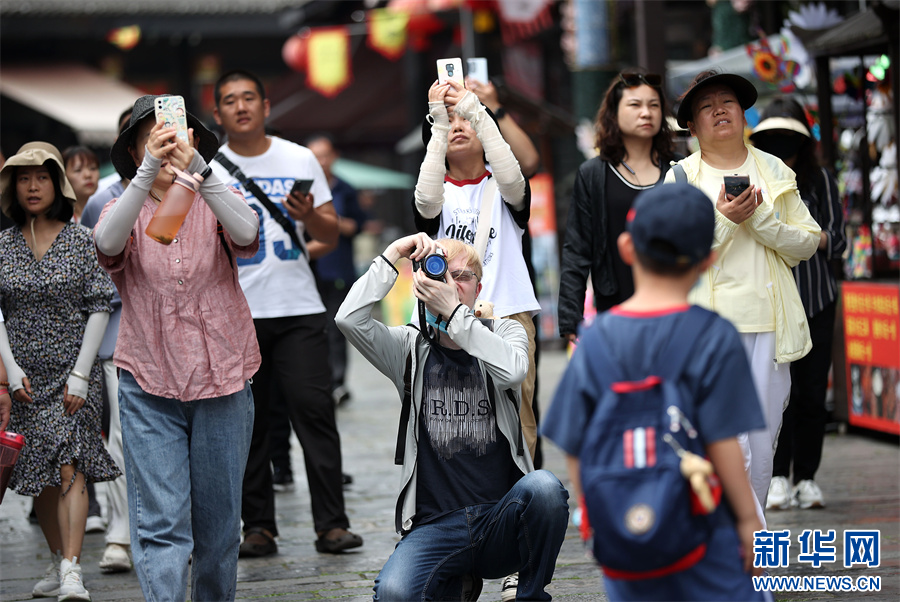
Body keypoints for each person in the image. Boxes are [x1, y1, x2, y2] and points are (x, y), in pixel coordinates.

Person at [543, 183, 770, 601]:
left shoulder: (595, 340)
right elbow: (724, 443)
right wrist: (748, 524)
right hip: (705, 534)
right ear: (707, 261)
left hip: (627, 540)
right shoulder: (715, 336)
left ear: (627, 248)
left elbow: (573, 444)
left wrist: (597, 519)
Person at [335, 234, 569, 600]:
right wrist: (394, 253)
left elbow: (512, 372)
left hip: (499, 520)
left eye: (462, 277)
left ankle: (529, 593)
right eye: (442, 274)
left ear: (478, 287)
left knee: (544, 489)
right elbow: (348, 319)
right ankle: (456, 581)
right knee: (394, 593)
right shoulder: (409, 348)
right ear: (423, 283)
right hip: (436, 525)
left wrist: (456, 314)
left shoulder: (504, 332)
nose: (452, 285)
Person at [93, 94, 260, 601]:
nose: (167, 145)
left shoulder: (215, 193)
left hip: (224, 379)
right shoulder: (123, 202)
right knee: (162, 525)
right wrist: (146, 174)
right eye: (153, 139)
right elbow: (107, 245)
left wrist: (201, 173)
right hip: (149, 382)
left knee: (219, 527)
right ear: (135, 152)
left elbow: (248, 230)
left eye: (175, 135)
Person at [209, 69, 362, 557]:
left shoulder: (298, 157)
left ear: (266, 105)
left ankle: (332, 525)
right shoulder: (208, 167)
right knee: (248, 424)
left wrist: (307, 216)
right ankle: (258, 526)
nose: (240, 106)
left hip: (298, 309)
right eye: (229, 101)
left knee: (314, 414)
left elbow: (331, 232)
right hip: (237, 313)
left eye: (249, 97)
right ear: (217, 115)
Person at [664, 70, 821, 523]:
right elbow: (675, 258)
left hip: (770, 325)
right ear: (692, 126)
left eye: (727, 101)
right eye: (707, 105)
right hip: (709, 333)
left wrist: (761, 222)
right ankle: (743, 550)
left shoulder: (774, 170)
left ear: (743, 112)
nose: (719, 110)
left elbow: (809, 243)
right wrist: (727, 219)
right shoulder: (681, 179)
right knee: (729, 444)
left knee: (762, 440)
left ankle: (749, 545)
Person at [0, 141, 119, 601]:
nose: (33, 186)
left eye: (42, 177)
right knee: (39, 473)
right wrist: (9, 371)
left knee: (69, 463)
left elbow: (100, 304)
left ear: (58, 184)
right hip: (25, 380)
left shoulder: (80, 239)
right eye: (24, 178)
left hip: (74, 375)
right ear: (13, 186)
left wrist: (82, 374)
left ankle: (72, 569)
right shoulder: (4, 245)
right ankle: (57, 560)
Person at [412, 78, 542, 468]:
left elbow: (513, 175)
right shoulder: (435, 190)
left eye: (465, 120)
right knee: (455, 419)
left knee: (520, 418)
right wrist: (439, 121)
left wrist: (477, 109)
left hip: (509, 316)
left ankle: (524, 502)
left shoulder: (504, 189)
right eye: (448, 121)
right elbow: (425, 201)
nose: (458, 125)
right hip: (447, 320)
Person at [750, 97, 847, 511]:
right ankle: (775, 477)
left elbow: (837, 239)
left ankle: (806, 477)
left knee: (810, 393)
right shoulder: (755, 177)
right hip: (771, 303)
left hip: (817, 300)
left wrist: (802, 235)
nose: (781, 140)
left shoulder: (820, 179)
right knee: (776, 393)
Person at [558, 70, 678, 341]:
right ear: (613, 113)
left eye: (654, 105)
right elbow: (577, 249)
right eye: (635, 105)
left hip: (675, 303)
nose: (646, 113)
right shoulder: (593, 174)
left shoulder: (680, 167)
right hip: (616, 306)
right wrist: (570, 317)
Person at [77, 109, 137, 574]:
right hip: (121, 336)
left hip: (183, 336)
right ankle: (120, 529)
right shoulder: (103, 200)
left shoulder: (193, 187)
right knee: (118, 436)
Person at [62, 146, 100, 224]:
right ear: (63, 176)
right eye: (78, 170)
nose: (88, 175)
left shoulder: (110, 209)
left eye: (93, 168)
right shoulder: (59, 220)